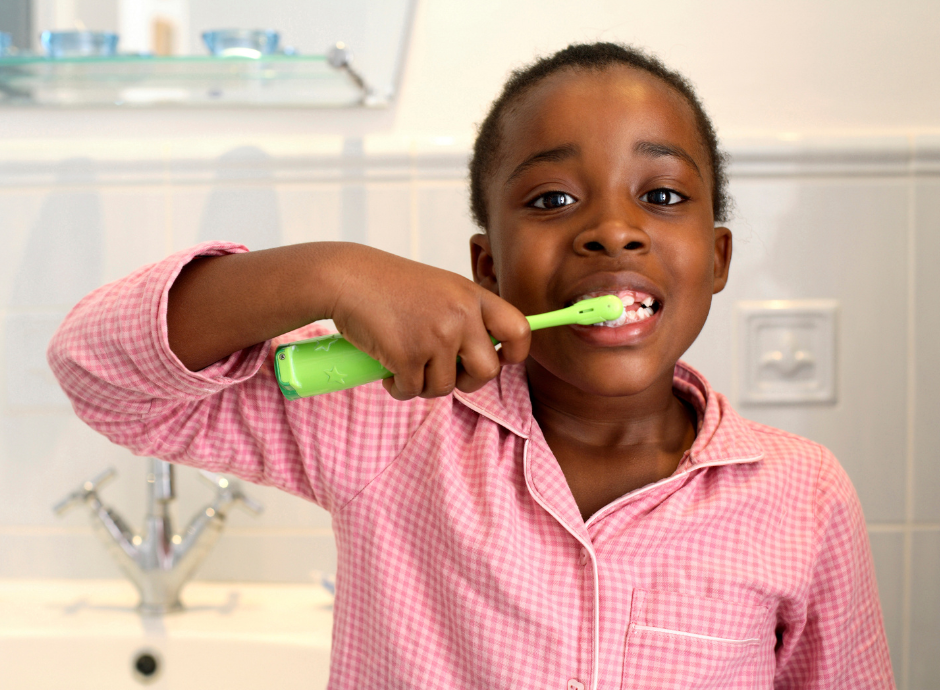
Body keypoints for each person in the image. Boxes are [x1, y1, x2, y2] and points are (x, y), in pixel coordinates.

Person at [48, 43, 893, 689]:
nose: (612, 230)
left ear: (716, 260)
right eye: (553, 200)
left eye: (662, 196)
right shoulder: (395, 416)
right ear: (487, 269)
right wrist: (331, 272)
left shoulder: (803, 496)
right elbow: (99, 373)